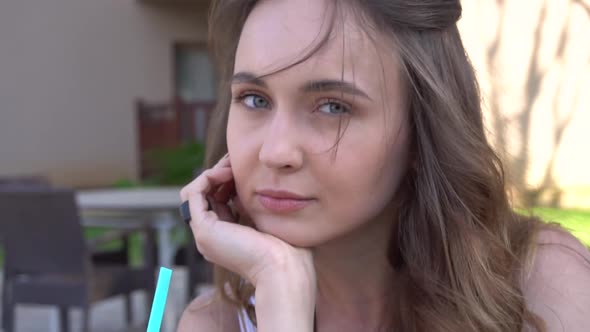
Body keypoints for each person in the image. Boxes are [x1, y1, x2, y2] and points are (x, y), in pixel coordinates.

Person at [177, 0, 590, 331]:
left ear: (421, 128)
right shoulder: (213, 324)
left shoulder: (542, 289)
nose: (275, 151)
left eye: (333, 106)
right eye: (255, 99)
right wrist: (281, 291)